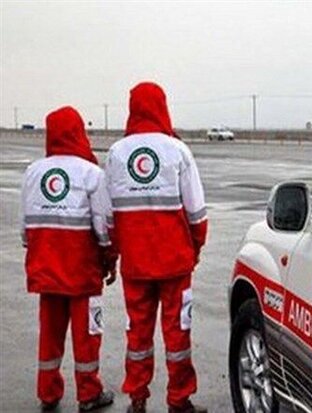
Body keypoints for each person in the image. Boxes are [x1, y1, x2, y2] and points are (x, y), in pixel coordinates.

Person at [105, 82, 208, 413]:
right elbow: (197, 211)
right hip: (175, 263)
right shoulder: (177, 151)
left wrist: (112, 255)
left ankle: (137, 398)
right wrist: (195, 248)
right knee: (178, 334)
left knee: (138, 334)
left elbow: (108, 216)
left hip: (135, 265)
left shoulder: (116, 154)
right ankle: (179, 399)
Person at [20, 106, 116, 412]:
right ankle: (88, 393)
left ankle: (48, 392)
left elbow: (25, 228)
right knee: (87, 334)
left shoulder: (33, 172)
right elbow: (104, 226)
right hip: (82, 270)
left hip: (46, 268)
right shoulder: (91, 174)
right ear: (78, 132)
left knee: (49, 334)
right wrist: (109, 258)